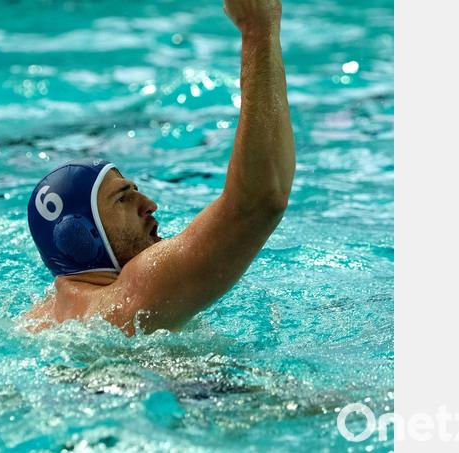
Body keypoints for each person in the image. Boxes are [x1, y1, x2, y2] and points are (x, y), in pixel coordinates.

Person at [25, 0, 294, 336]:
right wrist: (259, 32)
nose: (149, 204)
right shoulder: (129, 298)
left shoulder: (37, 321)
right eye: (123, 199)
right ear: (78, 235)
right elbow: (259, 201)